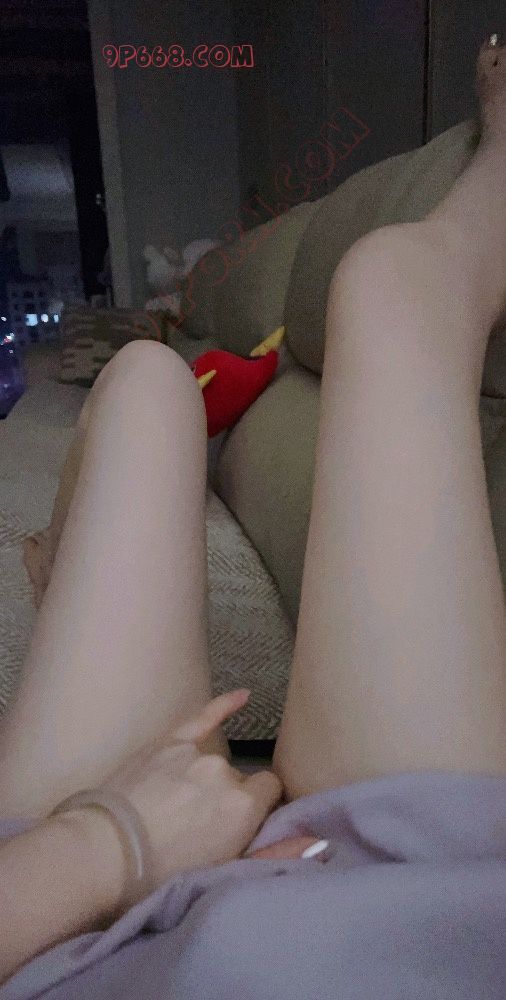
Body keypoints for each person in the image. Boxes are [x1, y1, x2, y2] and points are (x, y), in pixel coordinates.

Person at [0, 36, 505, 998]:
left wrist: (107, 842)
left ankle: (67, 574)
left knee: (148, 383)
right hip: (424, 898)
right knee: (395, 287)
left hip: (58, 926)